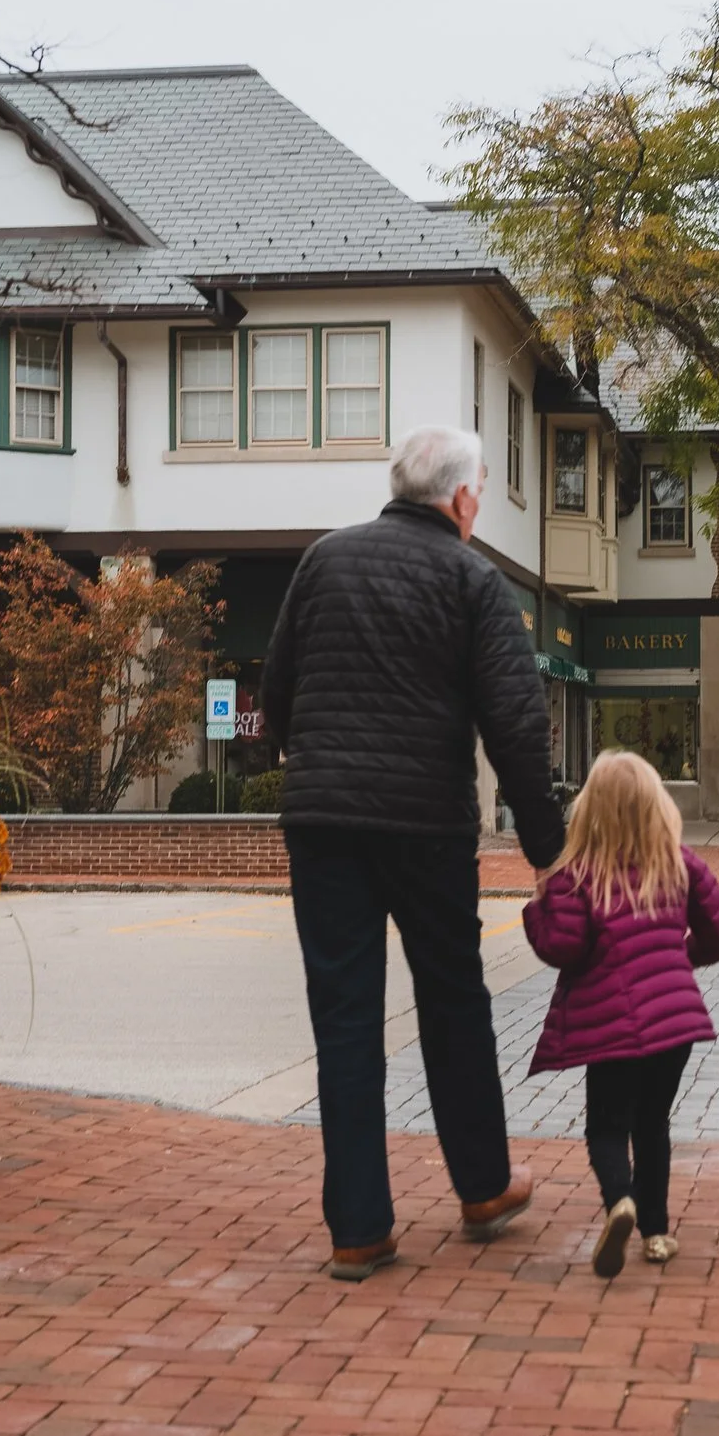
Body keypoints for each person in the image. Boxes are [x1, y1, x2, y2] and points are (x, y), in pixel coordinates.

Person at [261, 425, 567, 1280]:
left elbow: (275, 690)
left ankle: (358, 1229)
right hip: (426, 828)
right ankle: (483, 1185)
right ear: (464, 497)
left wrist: (312, 758)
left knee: (346, 1019)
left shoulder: (323, 560)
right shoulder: (473, 578)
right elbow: (516, 722)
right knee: (453, 1003)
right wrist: (548, 848)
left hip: (322, 825)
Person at [521, 750, 719, 1278]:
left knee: (607, 1128)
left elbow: (562, 946)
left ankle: (621, 1200)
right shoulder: (680, 863)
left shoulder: (579, 875)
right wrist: (680, 959)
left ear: (591, 811)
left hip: (611, 1026)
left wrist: (539, 902)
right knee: (653, 1124)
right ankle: (657, 1234)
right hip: (675, 1023)